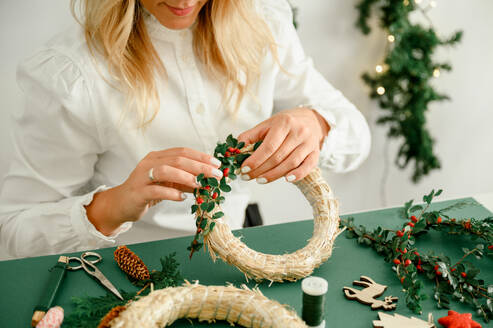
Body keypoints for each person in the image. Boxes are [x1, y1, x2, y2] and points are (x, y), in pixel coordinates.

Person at [0, 0, 371, 259]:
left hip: (245, 243)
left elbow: (357, 136)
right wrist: (114, 204)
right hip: (127, 268)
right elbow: (13, 229)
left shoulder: (264, 21)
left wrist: (317, 123)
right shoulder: (72, 75)